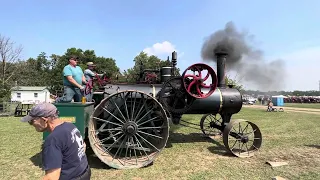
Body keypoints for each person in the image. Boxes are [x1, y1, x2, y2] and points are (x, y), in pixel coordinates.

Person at [20, 103, 91, 180]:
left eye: (31, 121)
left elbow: (51, 177)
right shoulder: (70, 126)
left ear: (44, 120)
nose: (31, 124)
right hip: (85, 173)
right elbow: (83, 146)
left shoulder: (53, 140)